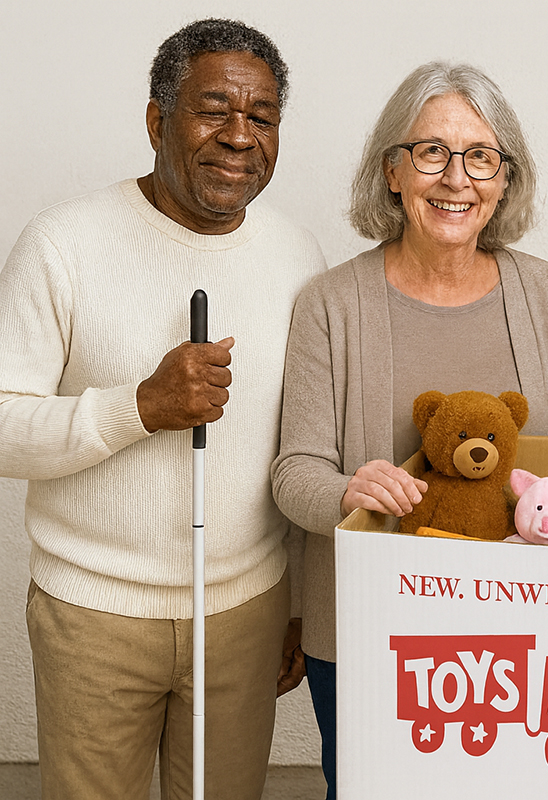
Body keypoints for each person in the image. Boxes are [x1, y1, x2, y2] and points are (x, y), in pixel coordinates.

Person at [0, 18, 325, 800]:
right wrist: (138, 407)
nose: (239, 137)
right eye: (214, 109)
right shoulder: (63, 244)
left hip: (248, 610)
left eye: (263, 116)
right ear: (156, 118)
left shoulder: (298, 257)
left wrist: (299, 606)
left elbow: (307, 447)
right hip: (94, 615)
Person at [272, 61, 548, 798]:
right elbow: (295, 473)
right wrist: (352, 489)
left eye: (480, 156)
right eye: (432, 152)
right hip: (367, 635)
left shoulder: (541, 291)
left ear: (505, 180)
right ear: (392, 171)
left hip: (521, 638)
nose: (456, 178)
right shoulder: (331, 303)